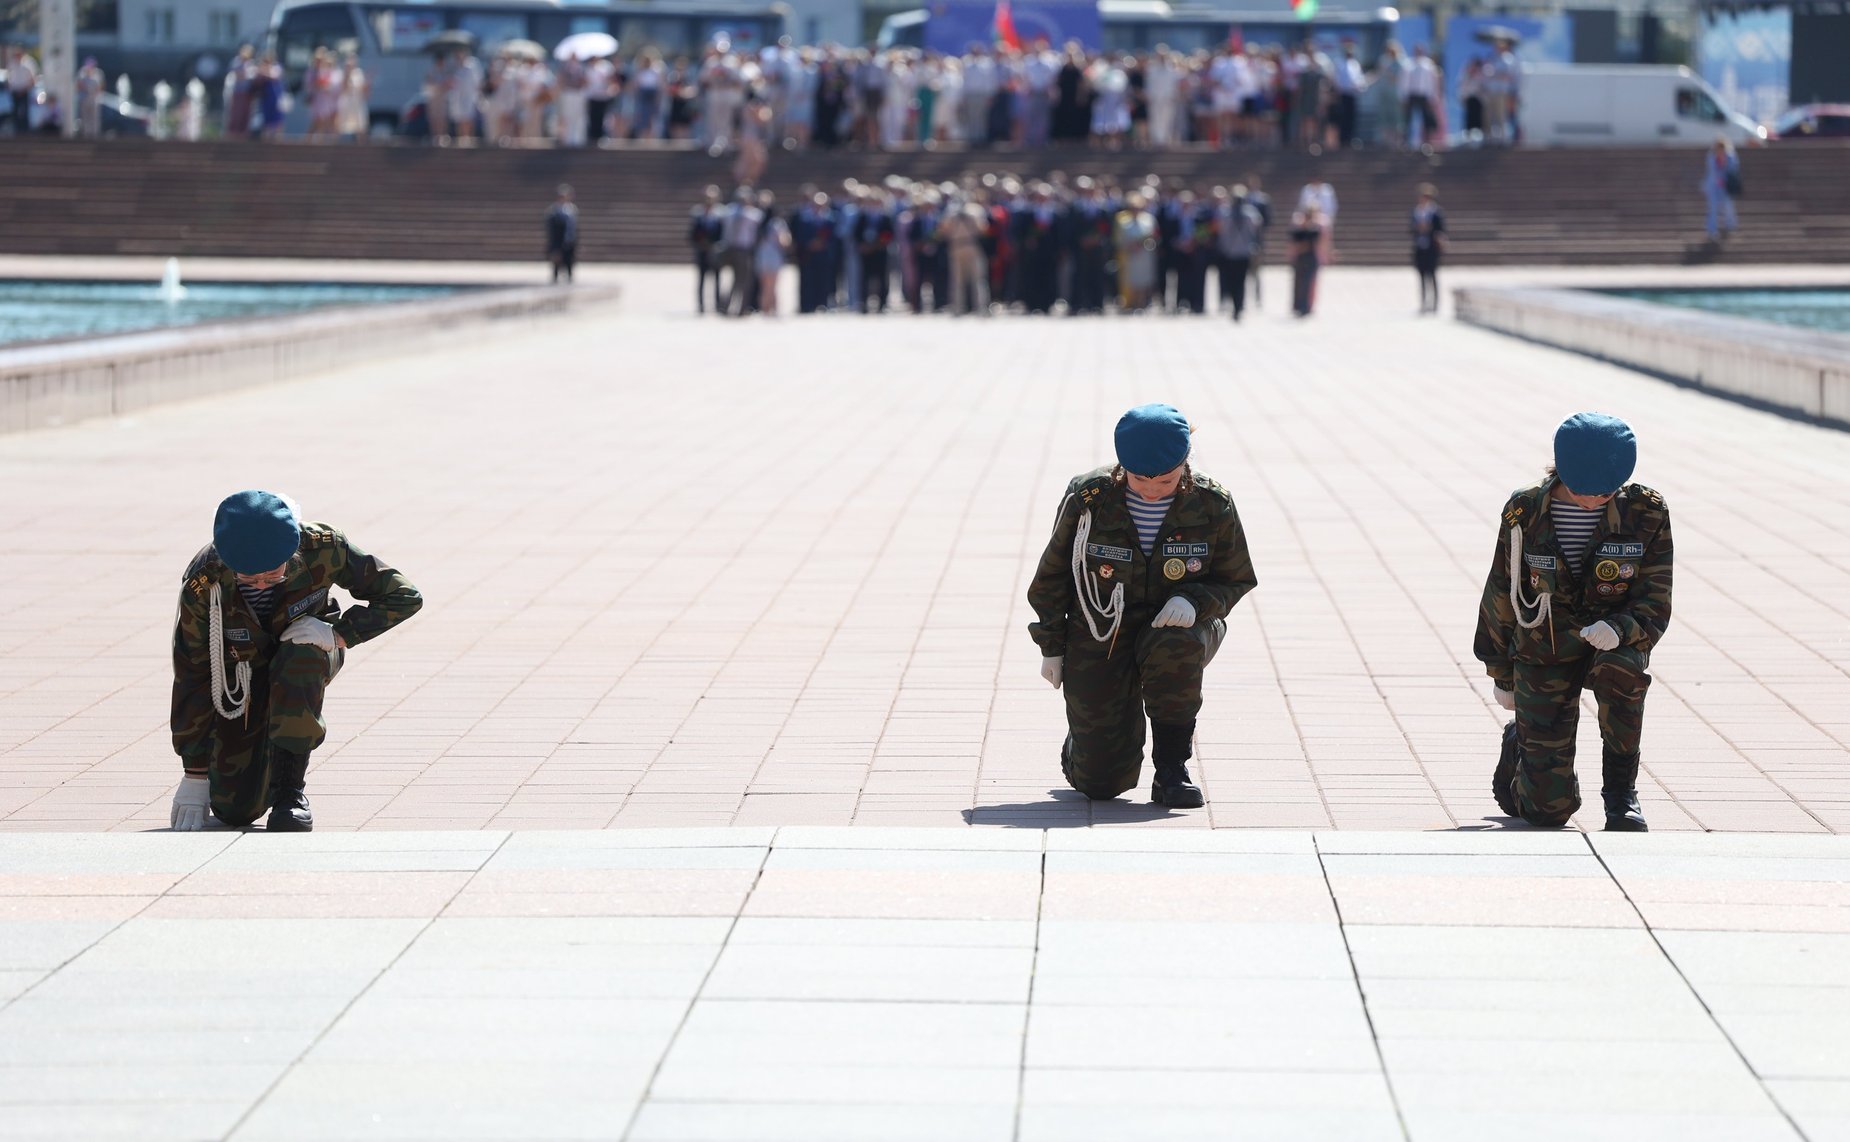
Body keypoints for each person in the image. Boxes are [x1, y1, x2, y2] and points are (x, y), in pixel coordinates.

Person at [1026, 404, 1258, 808]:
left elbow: (1236, 578)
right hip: (1101, 627)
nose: (1151, 490)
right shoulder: (1089, 498)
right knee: (1101, 783)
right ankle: (1084, 745)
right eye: (1139, 480)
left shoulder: (1211, 503)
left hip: (1182, 623)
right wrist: (1052, 645)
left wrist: (1195, 600)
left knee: (1175, 645)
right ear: (1122, 466)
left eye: (1166, 480)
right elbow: (1053, 574)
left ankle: (1172, 770)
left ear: (1185, 464)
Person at [169, 491, 421, 832]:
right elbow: (194, 673)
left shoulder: (324, 547)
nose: (260, 583)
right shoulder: (205, 584)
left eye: (273, 575)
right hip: (240, 676)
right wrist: (194, 773)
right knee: (236, 811)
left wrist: (339, 634)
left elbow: (403, 596)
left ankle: (290, 794)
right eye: (248, 578)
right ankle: (255, 776)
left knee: (298, 657)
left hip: (310, 652)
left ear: (293, 551)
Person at [1477, 413, 1671, 832]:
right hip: (1543, 650)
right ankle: (1520, 745)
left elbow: (1655, 599)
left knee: (1624, 671)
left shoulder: (1645, 512)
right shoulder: (1525, 509)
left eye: (1606, 493)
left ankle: (1622, 796)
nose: (1596, 501)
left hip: (1609, 642)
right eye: (1585, 493)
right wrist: (1501, 672)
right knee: (1546, 813)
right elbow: (1501, 588)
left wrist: (1621, 629)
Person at [688, 184, 726, 314]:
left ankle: (718, 305)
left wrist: (716, 245)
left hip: (716, 250)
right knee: (702, 279)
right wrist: (701, 244)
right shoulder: (697, 213)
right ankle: (701, 305)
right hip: (702, 251)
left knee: (717, 279)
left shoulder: (721, 213)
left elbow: (723, 233)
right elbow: (692, 233)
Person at [1410, 182, 1446, 314]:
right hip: (1420, 247)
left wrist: (1429, 228)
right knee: (1422, 277)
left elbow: (1441, 229)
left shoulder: (1436, 212)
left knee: (1432, 275)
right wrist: (1418, 228)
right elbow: (1411, 229)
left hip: (1432, 248)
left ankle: (1435, 303)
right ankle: (1424, 302)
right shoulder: (1416, 211)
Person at [755, 190, 790, 316]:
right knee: (772, 285)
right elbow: (784, 241)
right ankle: (771, 309)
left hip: (762, 255)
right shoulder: (777, 223)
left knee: (765, 285)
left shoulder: (757, 219)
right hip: (773, 255)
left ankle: (767, 309)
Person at [1703, 138, 1740, 242]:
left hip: (1726, 186)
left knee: (1728, 206)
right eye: (1718, 149)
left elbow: (1734, 170)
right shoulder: (1711, 157)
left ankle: (1730, 226)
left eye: (1721, 149)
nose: (1719, 151)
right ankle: (1712, 229)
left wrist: (1725, 164)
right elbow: (1712, 172)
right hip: (1714, 186)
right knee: (1713, 207)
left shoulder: (1731, 157)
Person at [1288, 208, 1322, 317]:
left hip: (1310, 258)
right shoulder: (1298, 230)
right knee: (1298, 283)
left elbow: (1314, 242)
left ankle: (1305, 306)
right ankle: (1297, 305)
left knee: (1307, 283)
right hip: (1300, 258)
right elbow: (1295, 240)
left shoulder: (1314, 229)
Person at [545, 183, 579, 283]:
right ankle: (555, 279)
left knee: (569, 261)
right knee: (556, 261)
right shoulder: (553, 211)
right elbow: (551, 229)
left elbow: (574, 228)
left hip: (569, 240)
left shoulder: (571, 210)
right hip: (558, 241)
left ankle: (569, 278)